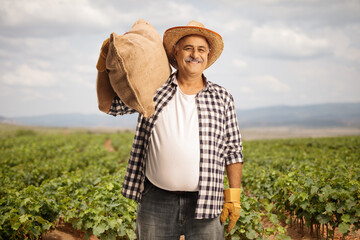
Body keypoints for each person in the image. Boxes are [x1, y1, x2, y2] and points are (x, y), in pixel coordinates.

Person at [96, 21, 243, 240]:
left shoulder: (222, 97)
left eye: (201, 49)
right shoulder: (153, 90)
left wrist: (233, 196)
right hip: (156, 200)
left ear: (207, 55)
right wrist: (102, 66)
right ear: (176, 52)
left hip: (207, 200)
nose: (195, 54)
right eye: (188, 48)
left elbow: (233, 150)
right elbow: (107, 105)